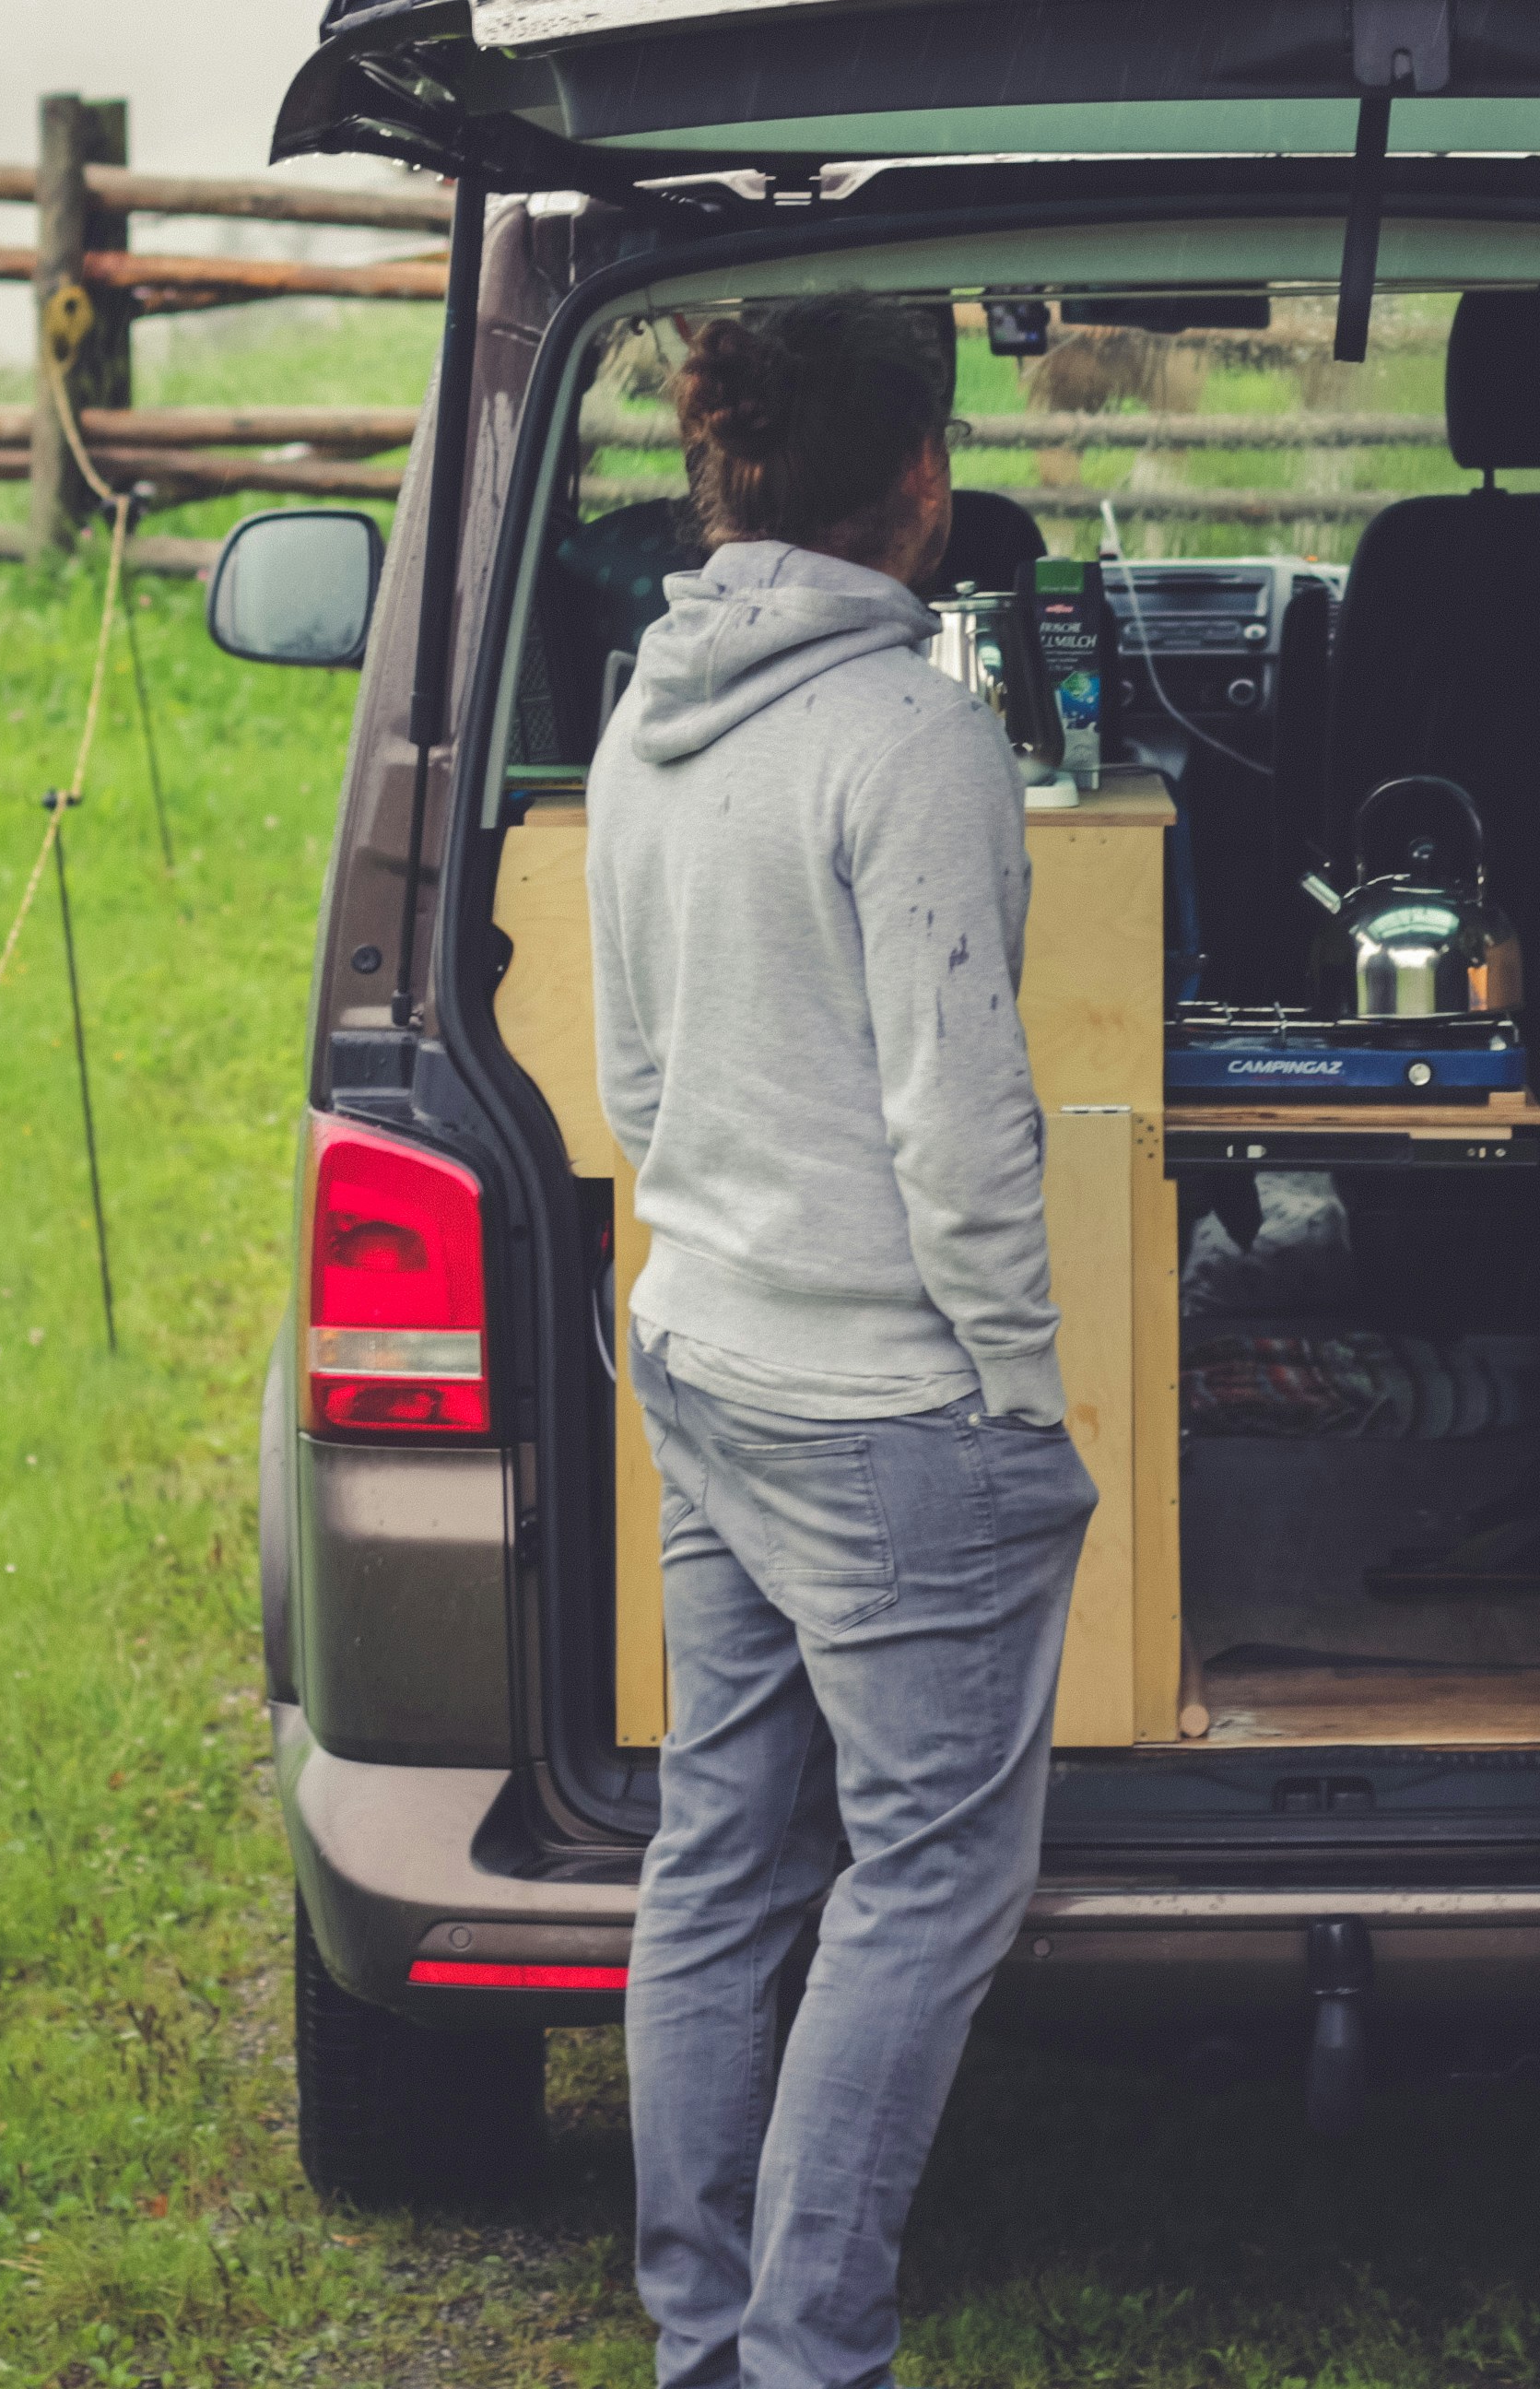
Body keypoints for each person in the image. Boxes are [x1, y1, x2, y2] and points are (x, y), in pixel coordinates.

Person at [586, 295, 1099, 2389]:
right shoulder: (913, 741)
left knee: (720, 1849)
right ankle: (813, 2355)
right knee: (922, 1887)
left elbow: (631, 1086)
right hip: (895, 1405)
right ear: (924, 482)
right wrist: (1024, 1400)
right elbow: (964, 1134)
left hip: (705, 1360)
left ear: (726, 470)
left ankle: (707, 2342)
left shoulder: (642, 716)